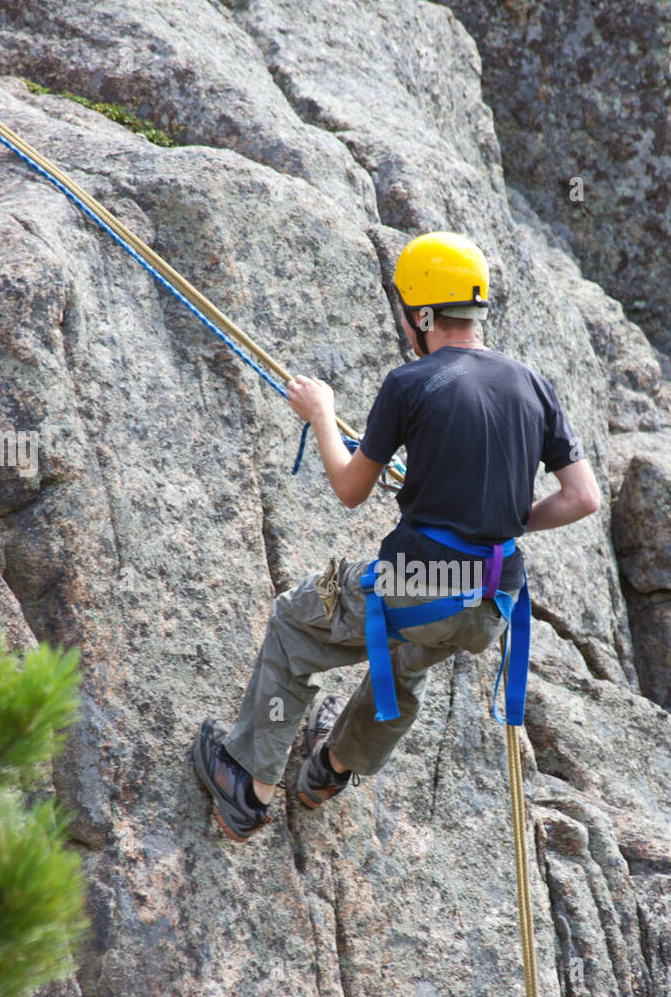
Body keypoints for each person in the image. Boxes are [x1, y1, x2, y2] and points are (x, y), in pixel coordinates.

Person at [193, 231, 601, 841]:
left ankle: (248, 786)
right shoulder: (531, 384)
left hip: (419, 582)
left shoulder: (410, 384)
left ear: (423, 315)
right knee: (410, 655)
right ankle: (331, 769)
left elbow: (351, 488)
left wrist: (322, 414)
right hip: (493, 602)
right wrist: (510, 523)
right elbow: (582, 498)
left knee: (295, 624)